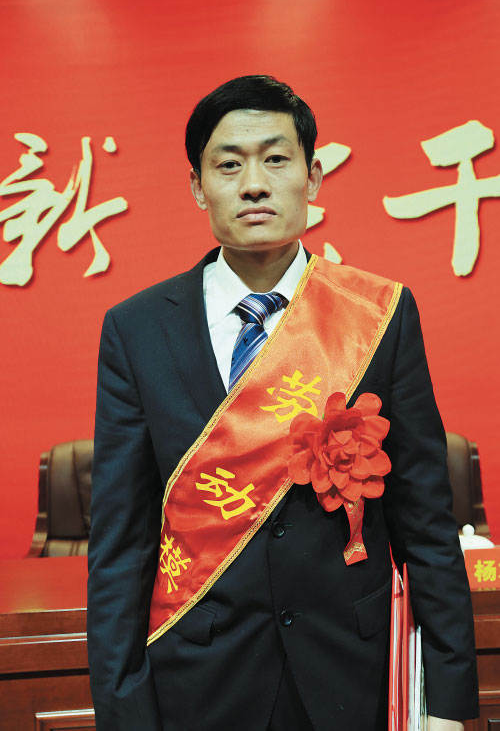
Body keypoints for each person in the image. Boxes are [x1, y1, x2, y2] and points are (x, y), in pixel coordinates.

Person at [87, 75, 478, 731]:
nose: (254, 184)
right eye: (228, 165)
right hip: (198, 678)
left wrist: (446, 701)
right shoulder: (137, 329)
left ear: (312, 175)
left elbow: (428, 522)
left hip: (348, 673)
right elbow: (120, 545)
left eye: (275, 158)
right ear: (197, 186)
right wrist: (123, 712)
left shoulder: (379, 314)